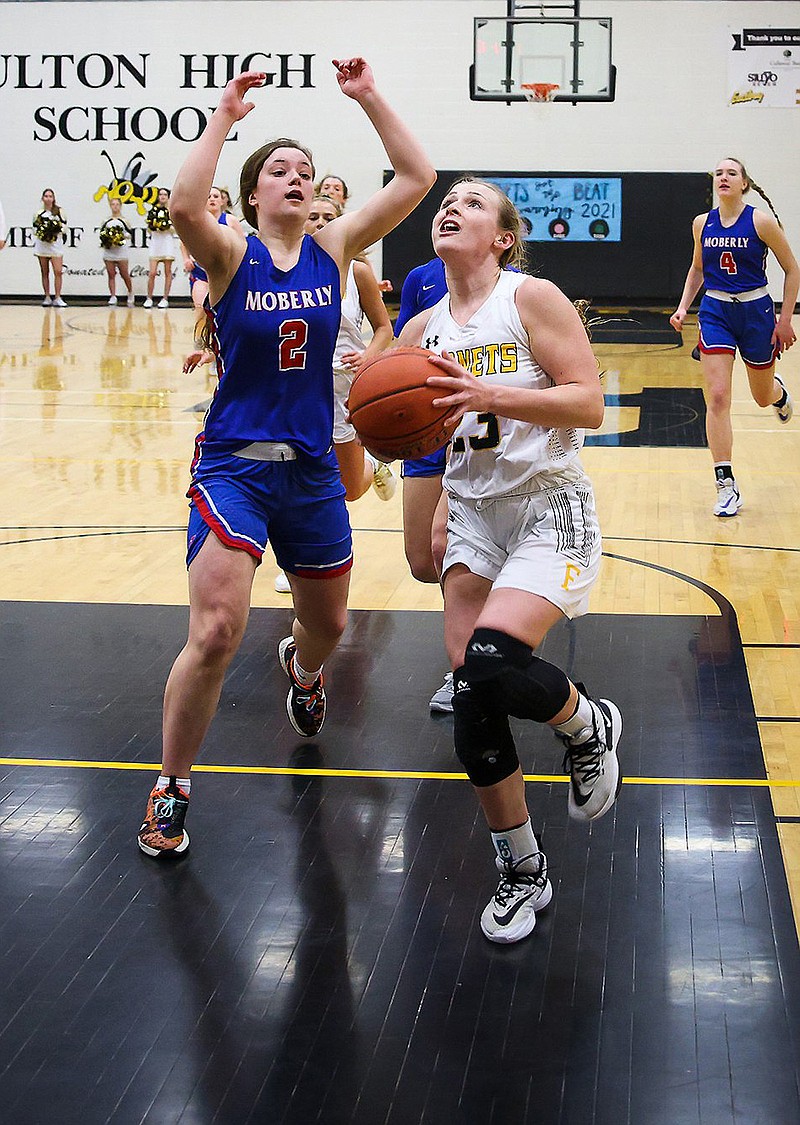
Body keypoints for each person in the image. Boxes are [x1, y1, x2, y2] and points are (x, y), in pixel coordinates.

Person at [136, 60, 435, 858]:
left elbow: (417, 176)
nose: (297, 178)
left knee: (330, 624)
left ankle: (304, 672)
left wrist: (369, 95)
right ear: (256, 192)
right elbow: (182, 202)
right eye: (280, 170)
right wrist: (224, 113)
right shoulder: (230, 255)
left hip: (308, 470)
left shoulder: (334, 249)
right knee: (218, 628)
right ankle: (171, 786)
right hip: (233, 465)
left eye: (305, 170)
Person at [396, 176, 622, 944]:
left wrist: (489, 394)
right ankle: (522, 867)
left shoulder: (532, 298)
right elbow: (403, 424)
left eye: (473, 202)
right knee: (472, 697)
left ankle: (588, 724)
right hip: (472, 517)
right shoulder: (422, 325)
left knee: (491, 660)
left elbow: (588, 401)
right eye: (445, 201)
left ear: (501, 236)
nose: (450, 208)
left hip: (547, 504)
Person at [273, 193, 396, 593]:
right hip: (296, 390)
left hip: (345, 389)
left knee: (350, 489)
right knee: (294, 477)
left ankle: (373, 468)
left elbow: (384, 330)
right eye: (313, 216)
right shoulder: (280, 269)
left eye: (329, 217)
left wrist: (369, 356)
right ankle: (297, 562)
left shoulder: (358, 272)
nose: (320, 222)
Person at [670, 157, 798, 517]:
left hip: (756, 311)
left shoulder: (760, 220)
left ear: (744, 183)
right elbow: (698, 268)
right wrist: (683, 307)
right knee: (719, 396)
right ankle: (725, 483)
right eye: (719, 173)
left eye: (732, 173)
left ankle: (779, 393)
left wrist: (785, 320)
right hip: (716, 311)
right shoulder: (702, 224)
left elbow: (792, 269)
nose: (723, 177)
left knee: (761, 396)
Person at [393, 256, 453, 709]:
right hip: (425, 430)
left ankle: (467, 664)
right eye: (448, 203)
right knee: (421, 560)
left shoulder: (518, 290)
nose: (451, 212)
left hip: (477, 434)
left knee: (453, 552)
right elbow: (399, 359)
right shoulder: (421, 278)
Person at [181, 185, 245, 314]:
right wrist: (186, 259)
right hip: (201, 273)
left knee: (226, 314)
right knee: (201, 311)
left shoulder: (231, 220)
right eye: (208, 197)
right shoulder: (195, 222)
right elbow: (183, 242)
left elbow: (243, 245)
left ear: (222, 201)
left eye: (216, 196)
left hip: (226, 274)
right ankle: (200, 333)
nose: (212, 199)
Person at [33, 189, 67, 307]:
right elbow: (34, 229)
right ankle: (47, 296)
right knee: (44, 271)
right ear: (42, 198)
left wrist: (54, 232)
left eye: (50, 196)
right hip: (42, 246)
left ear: (53, 198)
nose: (48, 198)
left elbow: (64, 227)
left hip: (55, 245)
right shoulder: (39, 213)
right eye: (46, 196)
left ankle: (57, 297)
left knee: (58, 271)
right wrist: (44, 234)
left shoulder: (59, 211)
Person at [99, 197, 135, 307]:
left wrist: (120, 237)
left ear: (120, 206)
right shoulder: (106, 221)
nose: (115, 206)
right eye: (113, 204)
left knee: (124, 274)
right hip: (109, 251)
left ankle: (130, 292)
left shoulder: (124, 221)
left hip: (121, 251)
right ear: (110, 206)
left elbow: (130, 234)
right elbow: (102, 234)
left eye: (117, 204)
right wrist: (108, 240)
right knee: (111, 274)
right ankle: (113, 296)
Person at [144, 188, 176, 309]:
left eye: (165, 194)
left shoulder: (171, 211)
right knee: (152, 273)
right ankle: (149, 298)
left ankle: (165, 298)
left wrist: (166, 226)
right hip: (156, 243)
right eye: (160, 194)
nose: (162, 196)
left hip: (167, 242)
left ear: (168, 197)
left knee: (167, 271)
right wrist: (156, 226)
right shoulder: (152, 211)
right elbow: (149, 227)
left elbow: (175, 228)